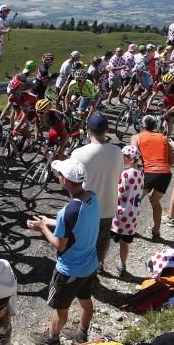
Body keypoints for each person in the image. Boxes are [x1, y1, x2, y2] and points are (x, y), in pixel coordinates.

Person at [26, 158, 99, 345]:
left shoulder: (67, 212)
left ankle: (52, 337)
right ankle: (82, 332)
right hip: (90, 264)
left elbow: (59, 245)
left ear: (65, 181)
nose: (58, 176)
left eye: (59, 174)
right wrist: (49, 221)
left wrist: (43, 227)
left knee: (61, 307)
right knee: (85, 299)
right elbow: (77, 224)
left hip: (70, 269)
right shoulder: (92, 197)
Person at [70, 112, 123, 269]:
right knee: (103, 239)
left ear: (88, 129)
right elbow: (118, 176)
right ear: (106, 130)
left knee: (82, 239)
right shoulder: (117, 151)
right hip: (108, 205)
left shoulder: (78, 153)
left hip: (85, 207)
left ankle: (82, 267)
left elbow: (70, 180)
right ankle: (98, 263)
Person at [129, 115, 174, 241]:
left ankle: (130, 228)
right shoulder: (163, 137)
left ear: (142, 125)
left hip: (150, 172)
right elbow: (172, 161)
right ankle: (156, 231)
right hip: (165, 173)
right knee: (154, 201)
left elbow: (132, 157)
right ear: (155, 126)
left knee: (134, 200)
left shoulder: (136, 137)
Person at [110, 145, 144, 277]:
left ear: (130, 159)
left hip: (119, 215)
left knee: (106, 239)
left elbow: (117, 194)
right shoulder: (140, 174)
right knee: (124, 243)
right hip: (132, 216)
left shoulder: (125, 174)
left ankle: (100, 263)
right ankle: (122, 264)